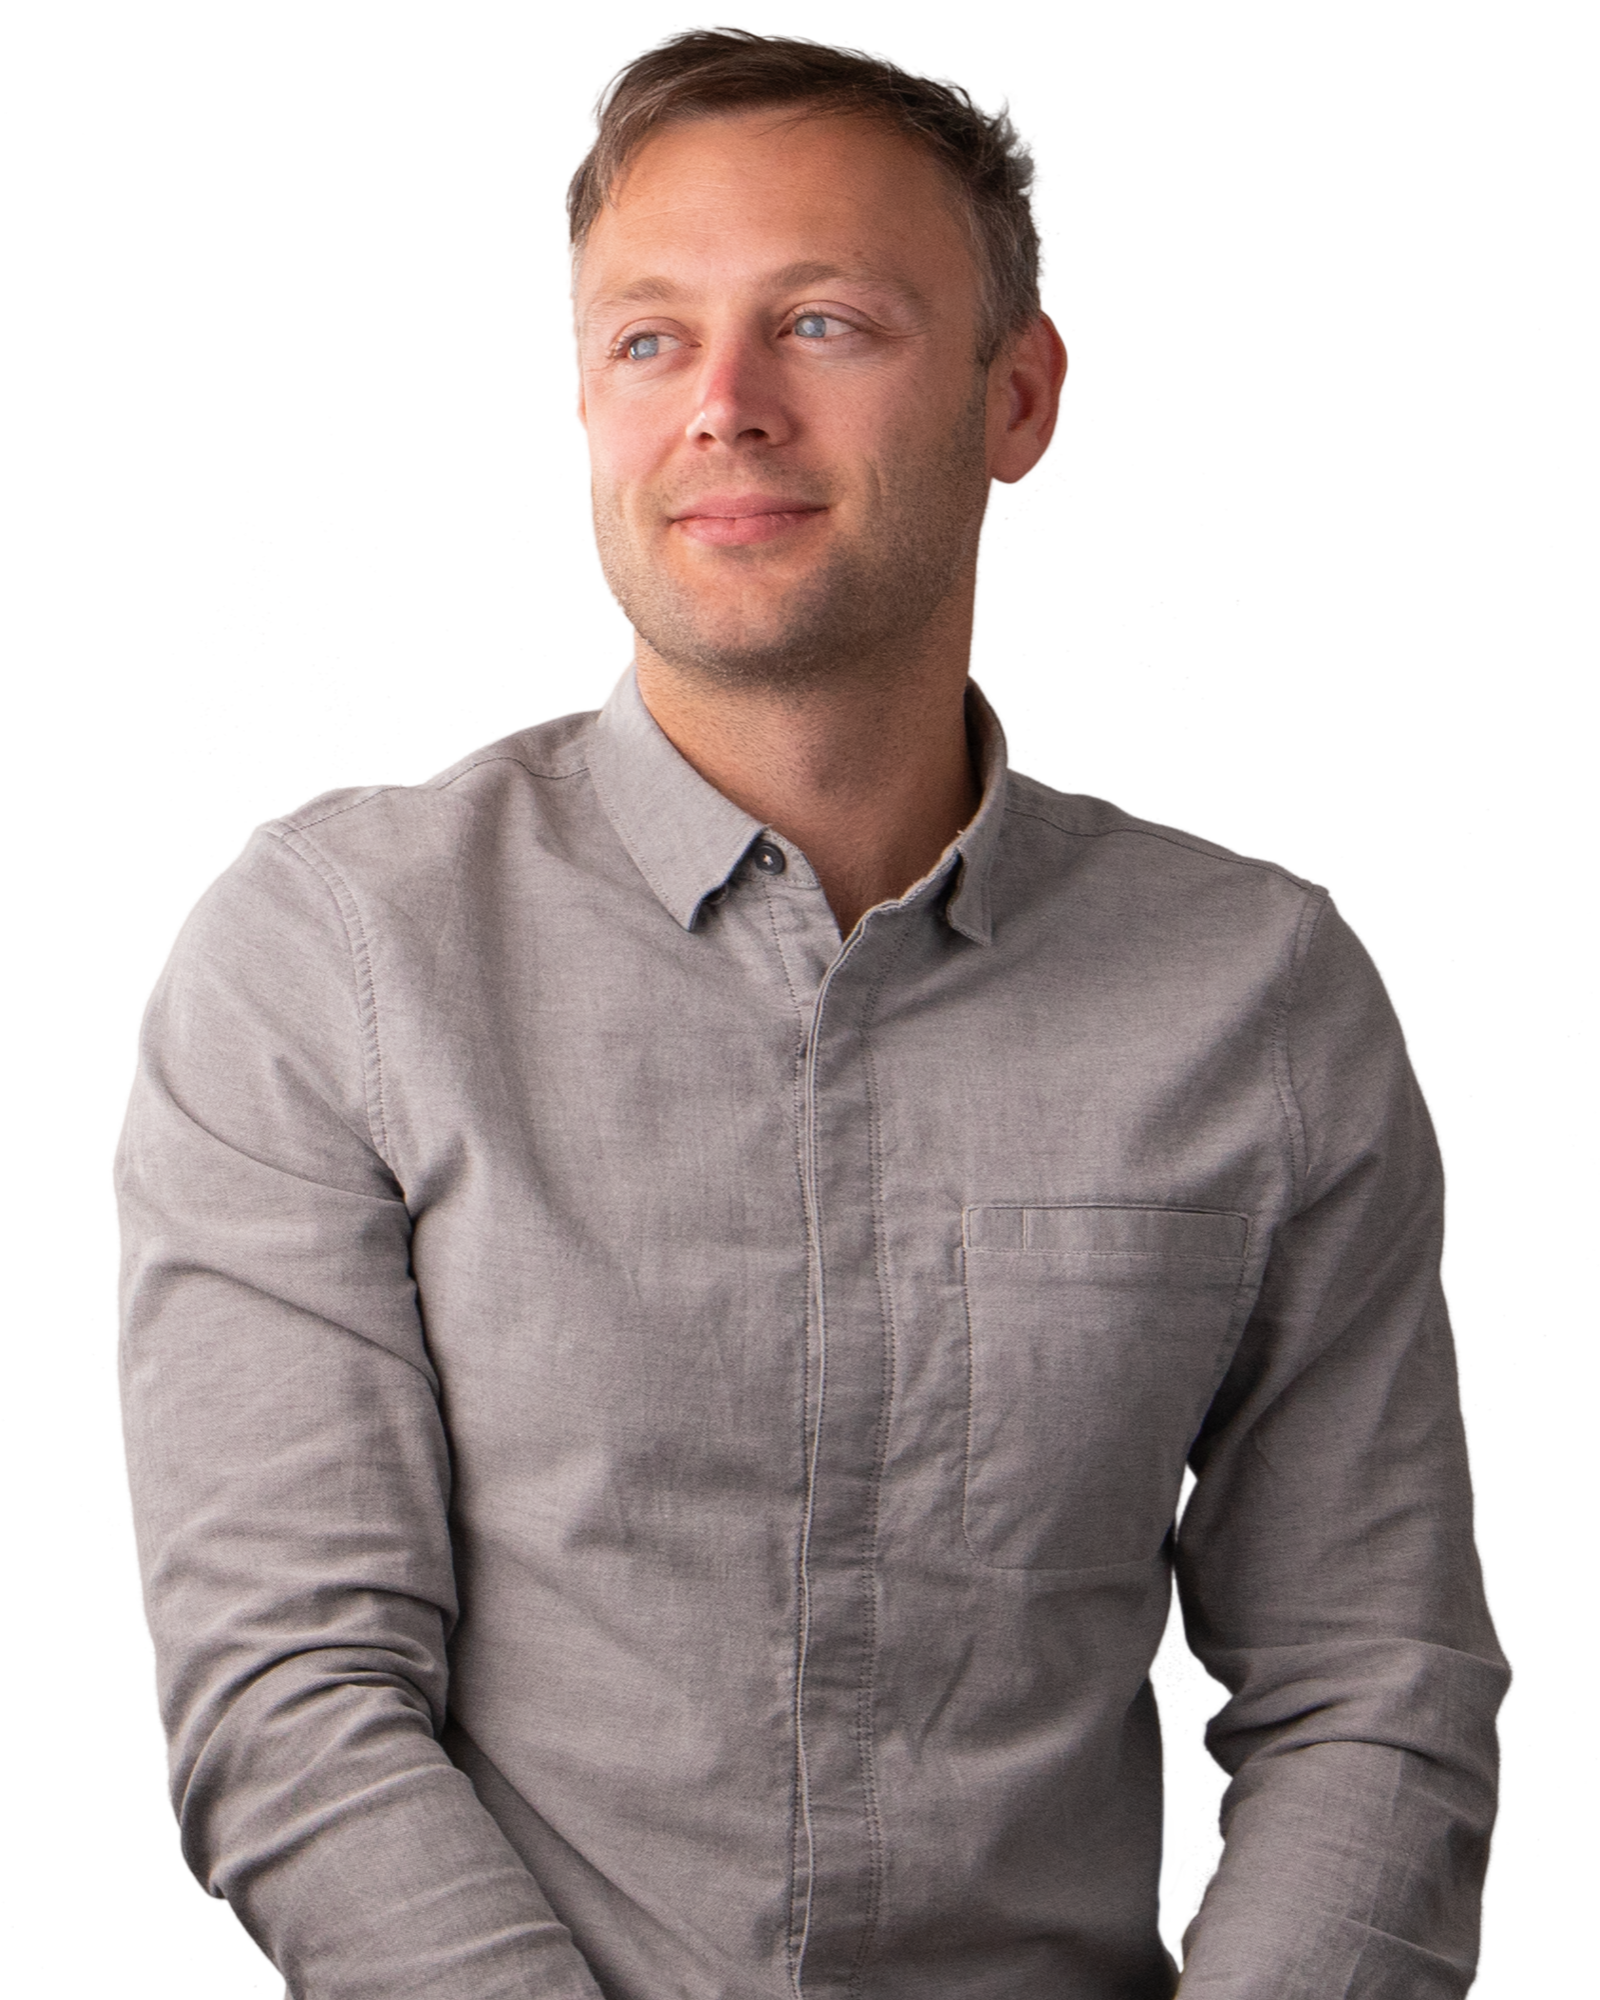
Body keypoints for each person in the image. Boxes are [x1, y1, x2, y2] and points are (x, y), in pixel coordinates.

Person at [109, 25, 1514, 1999]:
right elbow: (291, 1699)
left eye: (825, 323)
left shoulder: (1261, 992)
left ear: (1018, 397)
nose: (726, 409)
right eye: (648, 338)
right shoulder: (326, 951)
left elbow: (1368, 1688)